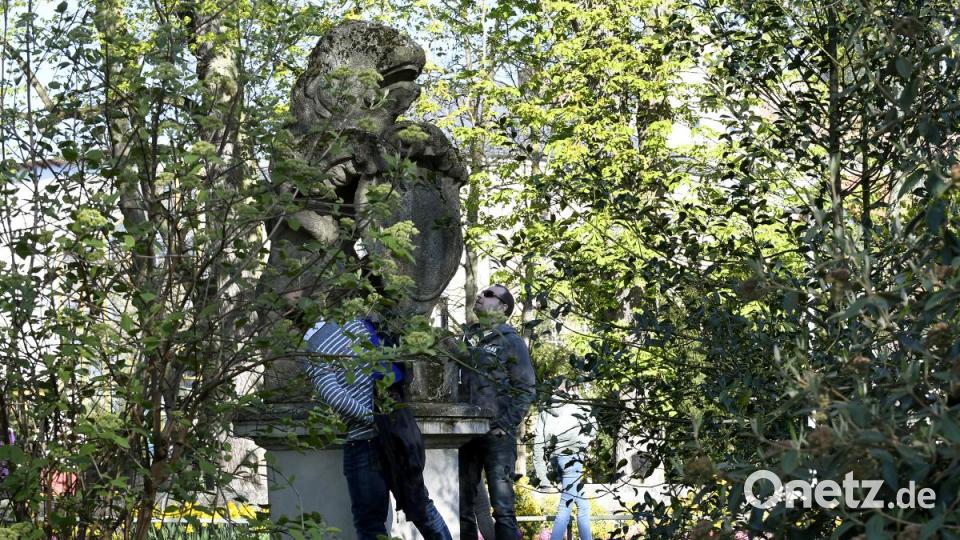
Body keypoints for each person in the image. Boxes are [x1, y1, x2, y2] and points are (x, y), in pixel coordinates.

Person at [301, 317, 452, 540]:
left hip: (365, 441)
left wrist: (371, 419)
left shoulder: (313, 347)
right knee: (422, 508)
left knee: (370, 524)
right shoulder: (359, 323)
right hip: (399, 432)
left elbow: (334, 396)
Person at [457, 284, 536, 540]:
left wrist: (504, 424)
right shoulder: (468, 339)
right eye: (481, 293)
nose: (480, 296)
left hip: (497, 437)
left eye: (489, 295)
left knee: (502, 509)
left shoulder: (511, 341)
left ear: (503, 308)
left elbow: (526, 388)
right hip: (466, 434)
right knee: (463, 506)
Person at [532, 381, 596, 540]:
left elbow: (538, 443)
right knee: (565, 507)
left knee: (583, 506)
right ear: (573, 389)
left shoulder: (546, 408)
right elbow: (594, 431)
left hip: (555, 460)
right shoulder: (579, 405)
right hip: (573, 458)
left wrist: (542, 476)